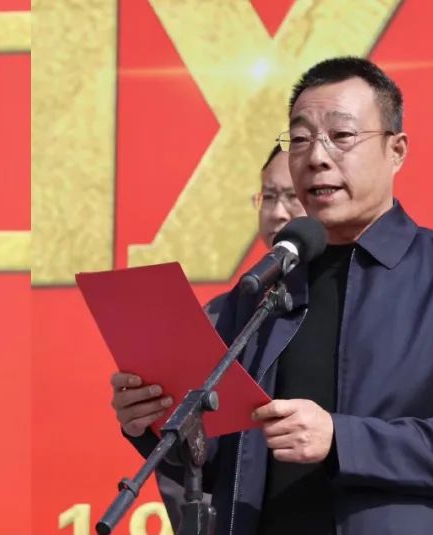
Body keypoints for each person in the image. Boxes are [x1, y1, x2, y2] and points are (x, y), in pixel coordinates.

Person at [111, 56, 433, 535]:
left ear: (396, 151)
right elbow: (221, 465)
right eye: (301, 139)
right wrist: (156, 420)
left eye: (341, 135)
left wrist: (342, 439)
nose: (317, 157)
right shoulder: (262, 289)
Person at [154, 145, 305, 530]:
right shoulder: (224, 315)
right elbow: (192, 454)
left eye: (293, 197)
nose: (278, 213)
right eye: (268, 196)